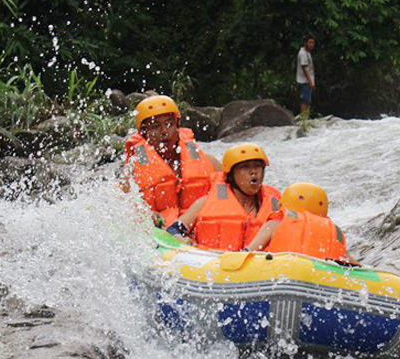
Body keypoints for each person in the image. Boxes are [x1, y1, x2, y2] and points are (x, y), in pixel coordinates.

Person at [122, 94, 222, 227]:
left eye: (169, 124)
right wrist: (145, 214)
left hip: (202, 229)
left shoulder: (211, 163)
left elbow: (225, 197)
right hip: (161, 231)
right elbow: (123, 208)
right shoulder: (132, 172)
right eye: (155, 126)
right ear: (144, 133)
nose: (164, 131)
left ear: (177, 126)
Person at [166, 144, 281, 252]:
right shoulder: (204, 203)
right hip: (208, 261)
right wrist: (182, 240)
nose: (254, 172)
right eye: (245, 167)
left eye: (258, 166)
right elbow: (172, 231)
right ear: (230, 176)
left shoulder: (276, 207)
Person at [245, 182, 359, 264]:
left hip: (282, 272)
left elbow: (249, 252)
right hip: (321, 279)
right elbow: (350, 262)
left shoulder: (276, 222)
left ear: (283, 204)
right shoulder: (334, 231)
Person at [296, 35, 316, 113]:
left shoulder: (307, 53)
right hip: (304, 81)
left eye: (313, 43)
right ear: (305, 43)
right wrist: (311, 81)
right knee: (304, 101)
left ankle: (305, 118)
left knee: (307, 100)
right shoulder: (303, 53)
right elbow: (305, 68)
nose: (311, 44)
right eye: (309, 42)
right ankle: (303, 119)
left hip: (307, 81)